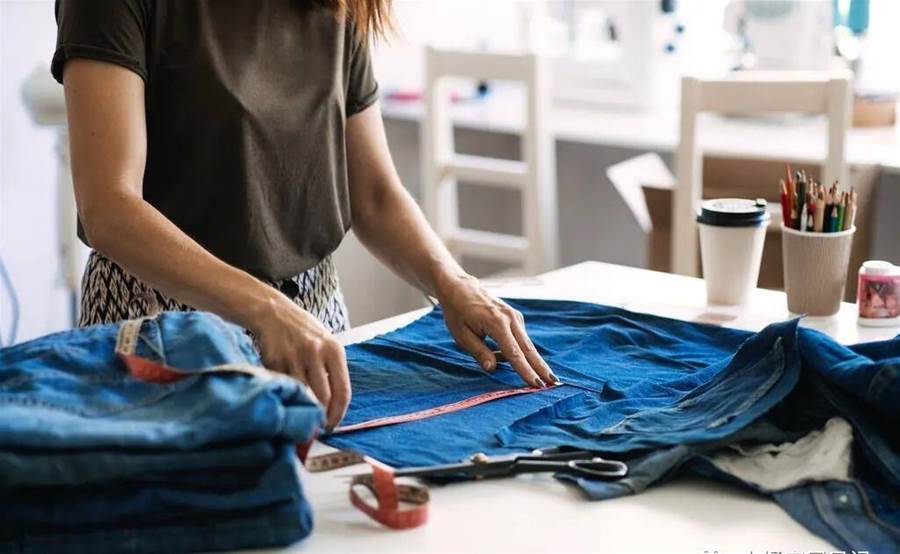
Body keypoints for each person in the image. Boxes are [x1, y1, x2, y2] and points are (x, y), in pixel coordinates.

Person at [53, 0, 556, 430]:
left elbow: (374, 195)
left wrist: (451, 281)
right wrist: (265, 309)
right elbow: (109, 208)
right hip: (160, 325)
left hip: (314, 322)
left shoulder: (339, 7)